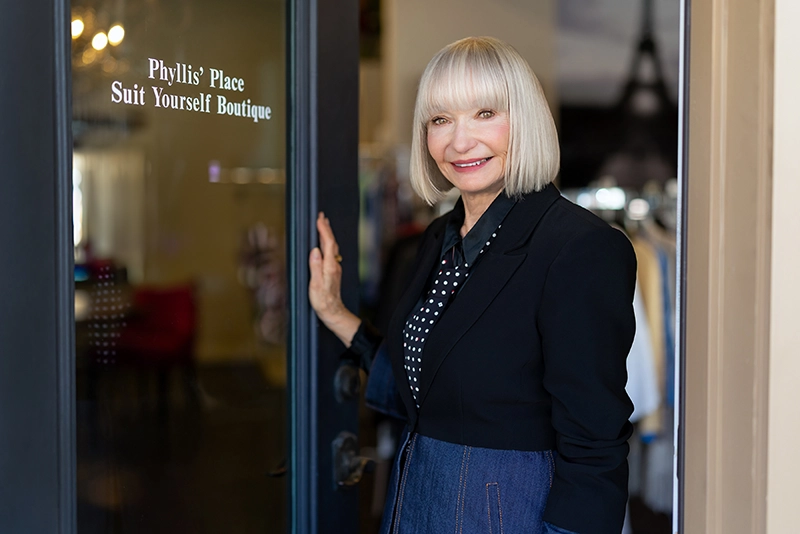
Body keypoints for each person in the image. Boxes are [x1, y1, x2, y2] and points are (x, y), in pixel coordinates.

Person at [309, 36, 636, 534]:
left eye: (485, 113)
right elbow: (421, 385)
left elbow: (595, 447)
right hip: (415, 500)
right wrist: (334, 311)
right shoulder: (439, 238)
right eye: (440, 119)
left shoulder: (579, 248)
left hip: (506, 511)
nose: (459, 141)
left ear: (524, 120)